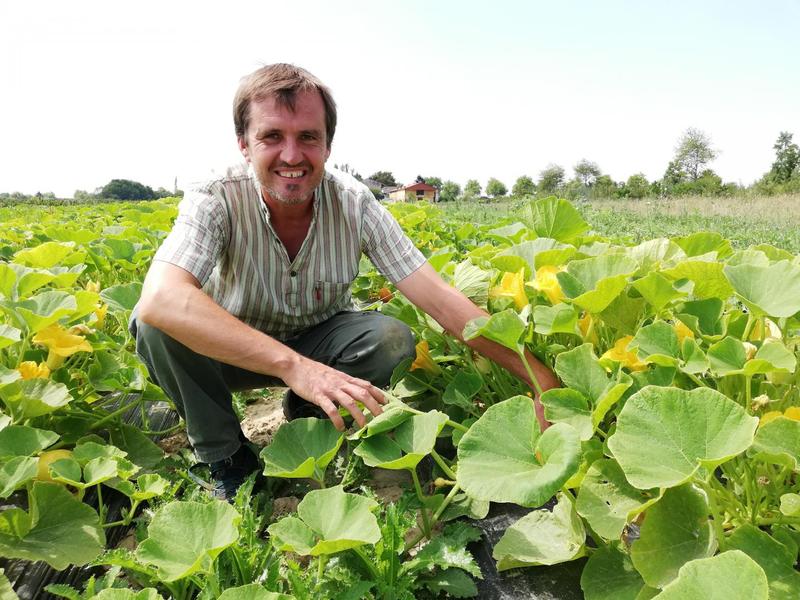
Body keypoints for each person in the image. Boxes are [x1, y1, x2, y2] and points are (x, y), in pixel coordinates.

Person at [131, 63, 559, 501]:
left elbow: (441, 299)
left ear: (328, 145)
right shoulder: (215, 195)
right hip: (226, 353)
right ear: (244, 144)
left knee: (390, 338)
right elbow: (161, 300)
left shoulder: (354, 201)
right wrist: (294, 368)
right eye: (272, 136)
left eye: (308, 137)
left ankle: (311, 415)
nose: (292, 155)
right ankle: (225, 454)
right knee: (157, 325)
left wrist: (540, 381)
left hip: (322, 343)